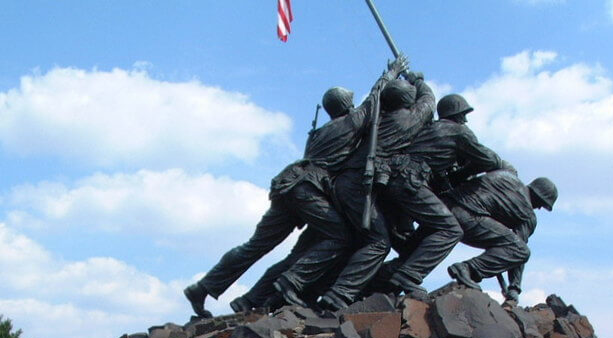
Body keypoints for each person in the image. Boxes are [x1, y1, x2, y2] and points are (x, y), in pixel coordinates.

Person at [183, 56, 408, 317]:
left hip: (288, 185)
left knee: (256, 245)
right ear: (347, 105)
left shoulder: (321, 133)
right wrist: (392, 72)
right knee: (340, 236)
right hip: (307, 188)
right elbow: (375, 98)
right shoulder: (351, 122)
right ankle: (292, 281)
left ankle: (204, 287)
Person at [317, 71, 436, 310]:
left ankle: (375, 283)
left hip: (350, 184)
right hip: (358, 186)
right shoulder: (407, 119)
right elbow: (429, 101)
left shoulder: (375, 120)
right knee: (379, 243)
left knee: (391, 238)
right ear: (405, 101)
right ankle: (338, 295)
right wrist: (418, 79)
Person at [373, 93, 506, 295]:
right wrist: (465, 171)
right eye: (464, 115)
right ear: (457, 115)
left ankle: (382, 278)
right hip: (410, 181)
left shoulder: (429, 129)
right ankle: (408, 275)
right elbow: (490, 161)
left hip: (393, 180)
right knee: (451, 230)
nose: (466, 120)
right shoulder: (459, 132)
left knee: (414, 240)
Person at [443, 164, 557, 307]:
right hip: (466, 217)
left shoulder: (507, 174)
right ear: (539, 197)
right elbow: (517, 250)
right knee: (521, 251)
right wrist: (514, 288)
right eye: (542, 204)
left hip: (443, 204)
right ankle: (468, 268)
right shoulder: (527, 214)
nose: (539, 208)